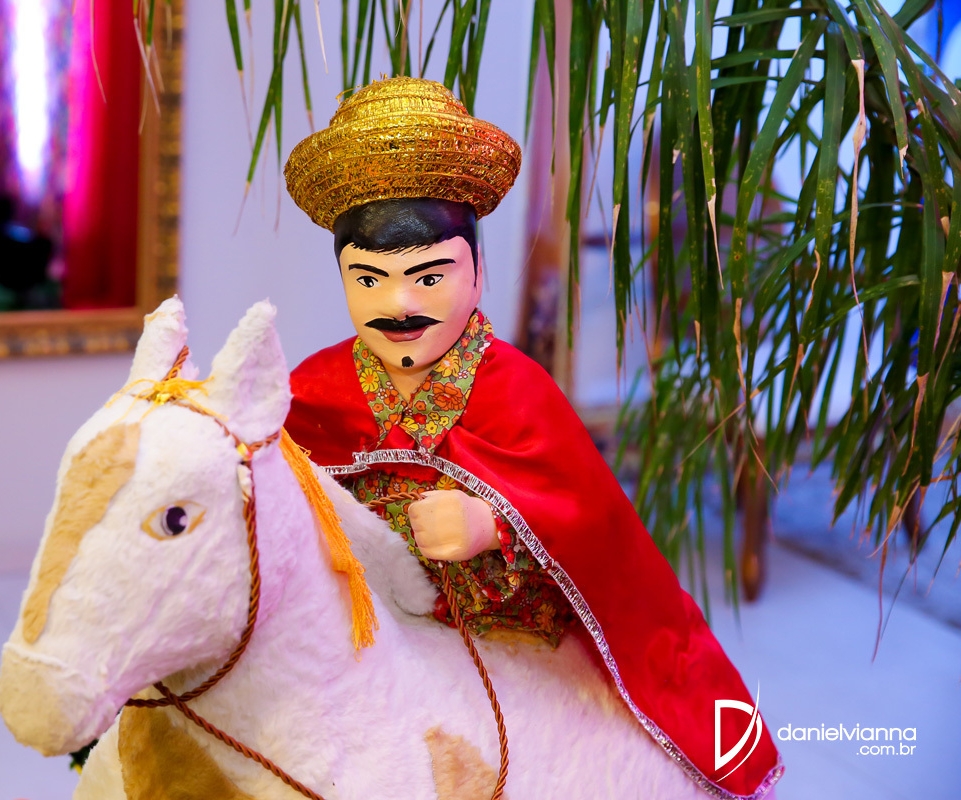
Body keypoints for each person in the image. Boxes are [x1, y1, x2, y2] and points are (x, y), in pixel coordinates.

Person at [282, 76, 781, 799]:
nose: (398, 304)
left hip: (509, 648)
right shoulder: (314, 388)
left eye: (429, 278)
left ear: (478, 272)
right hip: (368, 646)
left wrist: (494, 523)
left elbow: (595, 523)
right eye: (367, 280)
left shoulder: (515, 391)